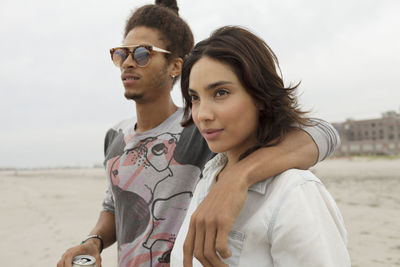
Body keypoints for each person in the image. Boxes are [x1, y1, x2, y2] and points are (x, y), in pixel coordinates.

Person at [57, 1, 341, 267]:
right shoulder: (115, 135)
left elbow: (322, 132)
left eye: (143, 53)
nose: (129, 62)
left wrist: (239, 176)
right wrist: (93, 240)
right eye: (122, 54)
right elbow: (115, 203)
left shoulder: (199, 133)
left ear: (175, 66)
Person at [170, 25, 350, 267]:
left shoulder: (294, 192)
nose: (202, 114)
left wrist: (240, 176)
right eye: (195, 98)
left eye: (221, 92)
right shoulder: (208, 178)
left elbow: (326, 132)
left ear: (260, 97)